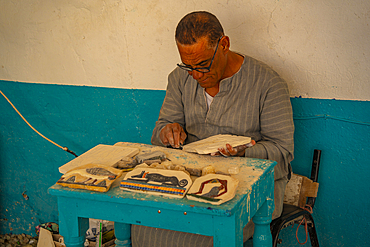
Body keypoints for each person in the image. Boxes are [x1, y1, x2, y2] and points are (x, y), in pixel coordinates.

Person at [132, 11, 294, 246]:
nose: (196, 74)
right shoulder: (180, 78)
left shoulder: (267, 84)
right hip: (192, 182)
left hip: (251, 189)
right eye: (188, 66)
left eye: (203, 65)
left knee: (206, 238)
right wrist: (168, 132)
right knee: (144, 227)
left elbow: (283, 152)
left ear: (224, 45)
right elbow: (161, 129)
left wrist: (244, 151)